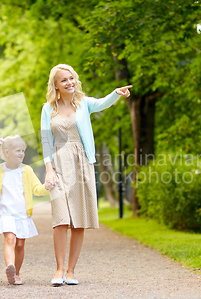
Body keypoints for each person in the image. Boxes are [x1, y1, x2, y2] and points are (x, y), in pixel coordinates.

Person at [40, 64, 132, 286]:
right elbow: (45, 140)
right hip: (59, 166)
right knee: (60, 219)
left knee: (77, 219)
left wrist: (116, 93)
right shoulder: (47, 109)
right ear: (56, 85)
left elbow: (102, 104)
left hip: (81, 164)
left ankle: (71, 271)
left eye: (71, 78)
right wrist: (49, 169)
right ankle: (59, 269)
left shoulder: (83, 104)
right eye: (64, 80)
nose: (69, 82)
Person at [0, 135, 50, 285]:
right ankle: (10, 267)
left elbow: (37, 189)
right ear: (7, 152)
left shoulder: (26, 170)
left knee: (20, 245)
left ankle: (16, 274)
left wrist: (46, 187)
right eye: (18, 151)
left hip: (22, 214)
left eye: (23, 151)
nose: (22, 154)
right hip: (6, 213)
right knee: (10, 239)